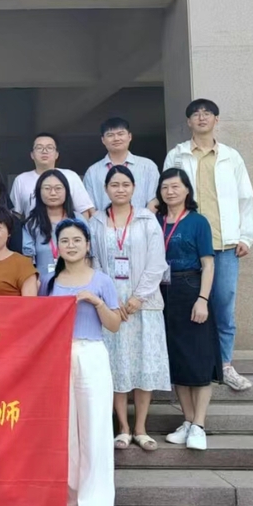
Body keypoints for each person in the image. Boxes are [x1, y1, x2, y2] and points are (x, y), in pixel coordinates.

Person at [163, 98, 253, 392]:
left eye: (207, 113)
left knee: (223, 304)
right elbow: (167, 192)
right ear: (188, 122)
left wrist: (246, 236)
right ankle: (190, 366)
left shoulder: (231, 156)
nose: (201, 117)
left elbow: (245, 197)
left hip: (224, 243)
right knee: (186, 308)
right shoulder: (177, 155)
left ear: (217, 119)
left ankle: (225, 364)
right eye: (195, 114)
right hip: (187, 245)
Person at [46, 219, 121, 506]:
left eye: (77, 240)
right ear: (57, 247)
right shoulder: (50, 282)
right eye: (65, 240)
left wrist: (96, 301)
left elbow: (114, 324)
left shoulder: (101, 280)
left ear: (88, 245)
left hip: (91, 354)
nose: (71, 245)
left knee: (95, 430)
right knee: (66, 431)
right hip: (60, 357)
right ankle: (71, 502)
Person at [89, 166, 170, 452]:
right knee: (117, 363)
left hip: (143, 304)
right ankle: (123, 427)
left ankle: (141, 428)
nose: (120, 189)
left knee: (144, 363)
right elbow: (94, 261)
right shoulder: (97, 221)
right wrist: (110, 300)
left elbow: (157, 262)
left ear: (134, 188)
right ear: (106, 189)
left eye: (125, 184)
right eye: (114, 185)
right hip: (112, 305)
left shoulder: (147, 219)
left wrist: (138, 297)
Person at [158, 169, 222, 451]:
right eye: (165, 187)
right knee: (177, 359)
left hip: (191, 288)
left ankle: (199, 424)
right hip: (162, 292)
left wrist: (202, 299)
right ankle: (186, 420)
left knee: (198, 357)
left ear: (187, 190)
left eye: (175, 186)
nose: (170, 192)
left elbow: (208, 264)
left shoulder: (198, 221)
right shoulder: (156, 221)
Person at [23, 170, 87, 291]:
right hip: (43, 287)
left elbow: (88, 256)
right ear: (39, 192)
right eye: (47, 188)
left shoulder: (78, 220)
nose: (53, 193)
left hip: (77, 287)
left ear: (66, 191)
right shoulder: (31, 223)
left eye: (58, 188)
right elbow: (28, 261)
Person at [10, 133, 95, 219]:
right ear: (32, 155)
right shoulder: (21, 180)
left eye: (49, 147)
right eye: (39, 148)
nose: (44, 151)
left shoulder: (71, 176)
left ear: (57, 154)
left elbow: (84, 210)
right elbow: (15, 214)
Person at [83, 118, 160, 211]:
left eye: (120, 134)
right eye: (110, 135)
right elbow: (89, 207)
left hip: (142, 219)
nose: (116, 138)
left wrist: (143, 220)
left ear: (129, 136)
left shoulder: (148, 166)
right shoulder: (92, 172)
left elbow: (154, 200)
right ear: (103, 140)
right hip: (104, 220)